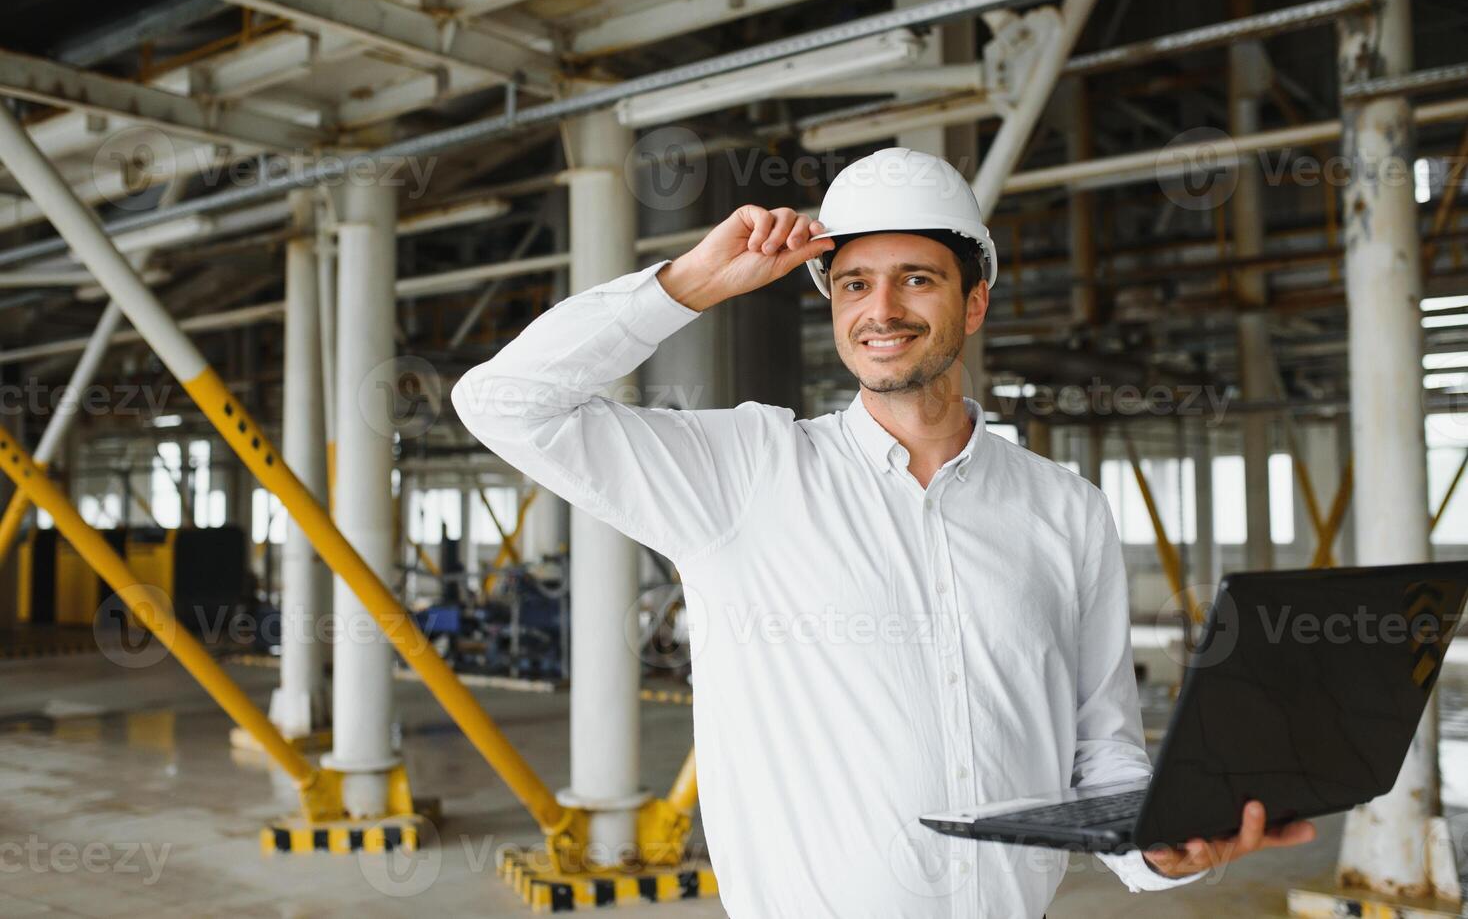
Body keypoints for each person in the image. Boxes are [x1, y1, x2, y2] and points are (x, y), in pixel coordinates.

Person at [451, 147, 1314, 917]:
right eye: (855, 283)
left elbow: (1102, 746)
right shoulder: (745, 474)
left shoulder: (1065, 509)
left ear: (974, 304)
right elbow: (501, 403)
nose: (882, 309)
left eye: (918, 278)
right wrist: (694, 282)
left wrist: (1155, 850)